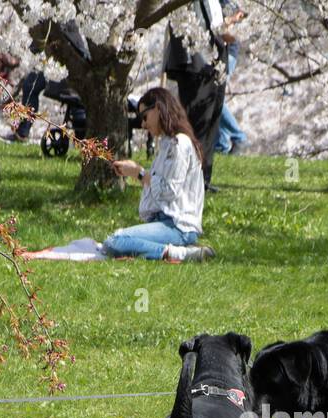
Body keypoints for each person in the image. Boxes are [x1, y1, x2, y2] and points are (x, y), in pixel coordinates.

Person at [104, 88, 214, 263]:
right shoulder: (168, 145)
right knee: (117, 240)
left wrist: (138, 173)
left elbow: (169, 190)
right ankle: (178, 251)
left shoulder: (179, 144)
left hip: (178, 226)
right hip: (166, 222)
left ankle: (179, 254)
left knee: (114, 242)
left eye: (144, 117)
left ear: (157, 108)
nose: (143, 125)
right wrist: (137, 173)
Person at [164, 0, 234, 190]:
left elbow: (216, 23)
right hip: (195, 60)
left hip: (216, 56)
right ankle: (190, 179)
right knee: (196, 121)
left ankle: (204, 178)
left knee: (212, 118)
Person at [214, 1, 248, 154]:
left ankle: (238, 137)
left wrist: (227, 22)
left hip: (228, 53)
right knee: (213, 97)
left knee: (215, 95)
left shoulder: (226, 3)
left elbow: (230, 27)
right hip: (215, 52)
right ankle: (221, 144)